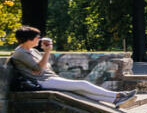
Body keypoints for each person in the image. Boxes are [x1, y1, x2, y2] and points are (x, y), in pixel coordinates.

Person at [8, 27, 136, 108]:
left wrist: (42, 64)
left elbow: (45, 66)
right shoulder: (20, 53)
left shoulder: (31, 51)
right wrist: (47, 52)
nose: (39, 40)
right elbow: (40, 68)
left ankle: (114, 100)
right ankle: (118, 95)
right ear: (28, 39)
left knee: (81, 91)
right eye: (37, 37)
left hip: (48, 77)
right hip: (42, 82)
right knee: (82, 84)